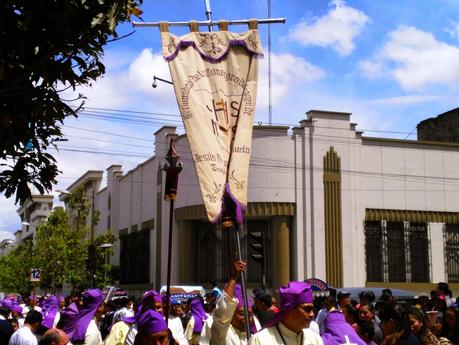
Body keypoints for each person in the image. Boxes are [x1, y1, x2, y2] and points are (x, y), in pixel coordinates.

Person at [248, 281, 323, 345]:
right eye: (307, 309)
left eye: (312, 309)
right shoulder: (260, 340)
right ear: (289, 310)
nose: (312, 314)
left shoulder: (315, 340)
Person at [211, 260, 260, 345]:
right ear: (231, 315)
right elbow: (224, 309)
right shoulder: (222, 332)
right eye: (242, 313)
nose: (246, 318)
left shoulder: (255, 336)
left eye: (250, 314)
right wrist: (234, 277)